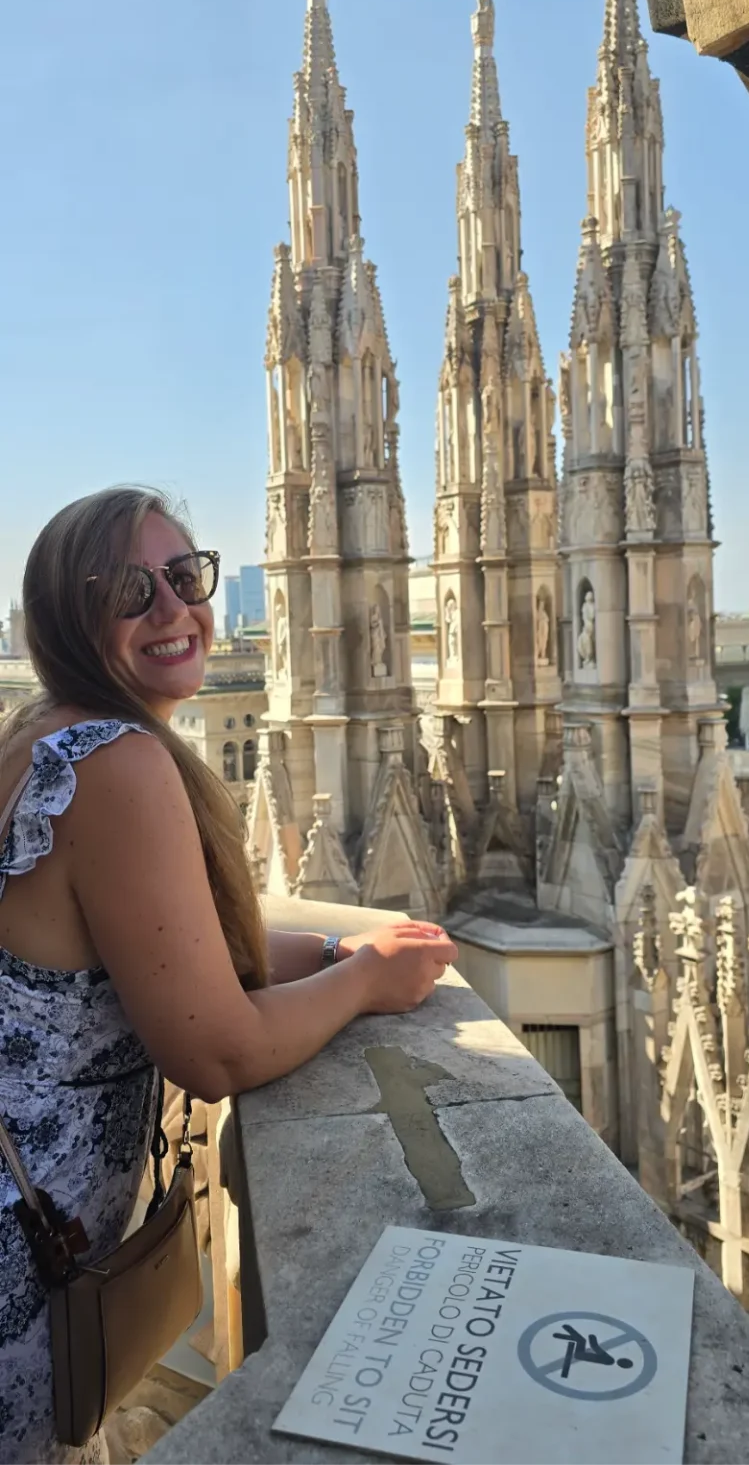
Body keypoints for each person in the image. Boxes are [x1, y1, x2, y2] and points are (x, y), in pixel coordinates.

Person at [0, 487, 456, 1465]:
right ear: (70, 617)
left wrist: (329, 952)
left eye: (184, 575)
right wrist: (366, 981)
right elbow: (217, 1050)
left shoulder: (38, 735)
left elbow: (167, 950)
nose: (174, 608)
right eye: (131, 590)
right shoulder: (114, 762)